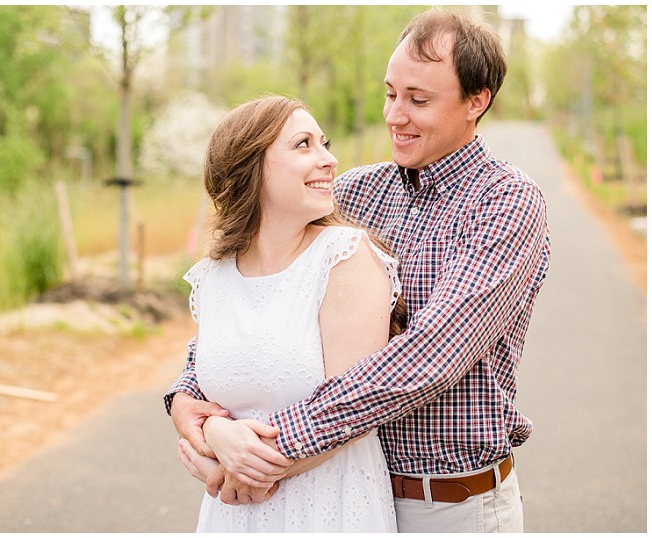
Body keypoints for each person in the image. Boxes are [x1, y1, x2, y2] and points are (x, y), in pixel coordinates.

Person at [166, 8, 551, 533]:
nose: (395, 115)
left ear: (476, 101)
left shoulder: (505, 203)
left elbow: (429, 358)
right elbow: (261, 305)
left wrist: (260, 453)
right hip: (331, 487)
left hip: (444, 506)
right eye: (391, 93)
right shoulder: (356, 192)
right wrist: (190, 404)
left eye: (419, 100)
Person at [173, 94, 407, 532]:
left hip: (330, 506)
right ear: (252, 167)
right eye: (304, 145)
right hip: (233, 515)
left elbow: (350, 410)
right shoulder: (215, 275)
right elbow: (202, 389)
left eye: (324, 143)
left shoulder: (347, 258)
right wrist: (211, 436)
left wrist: (234, 470)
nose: (330, 160)